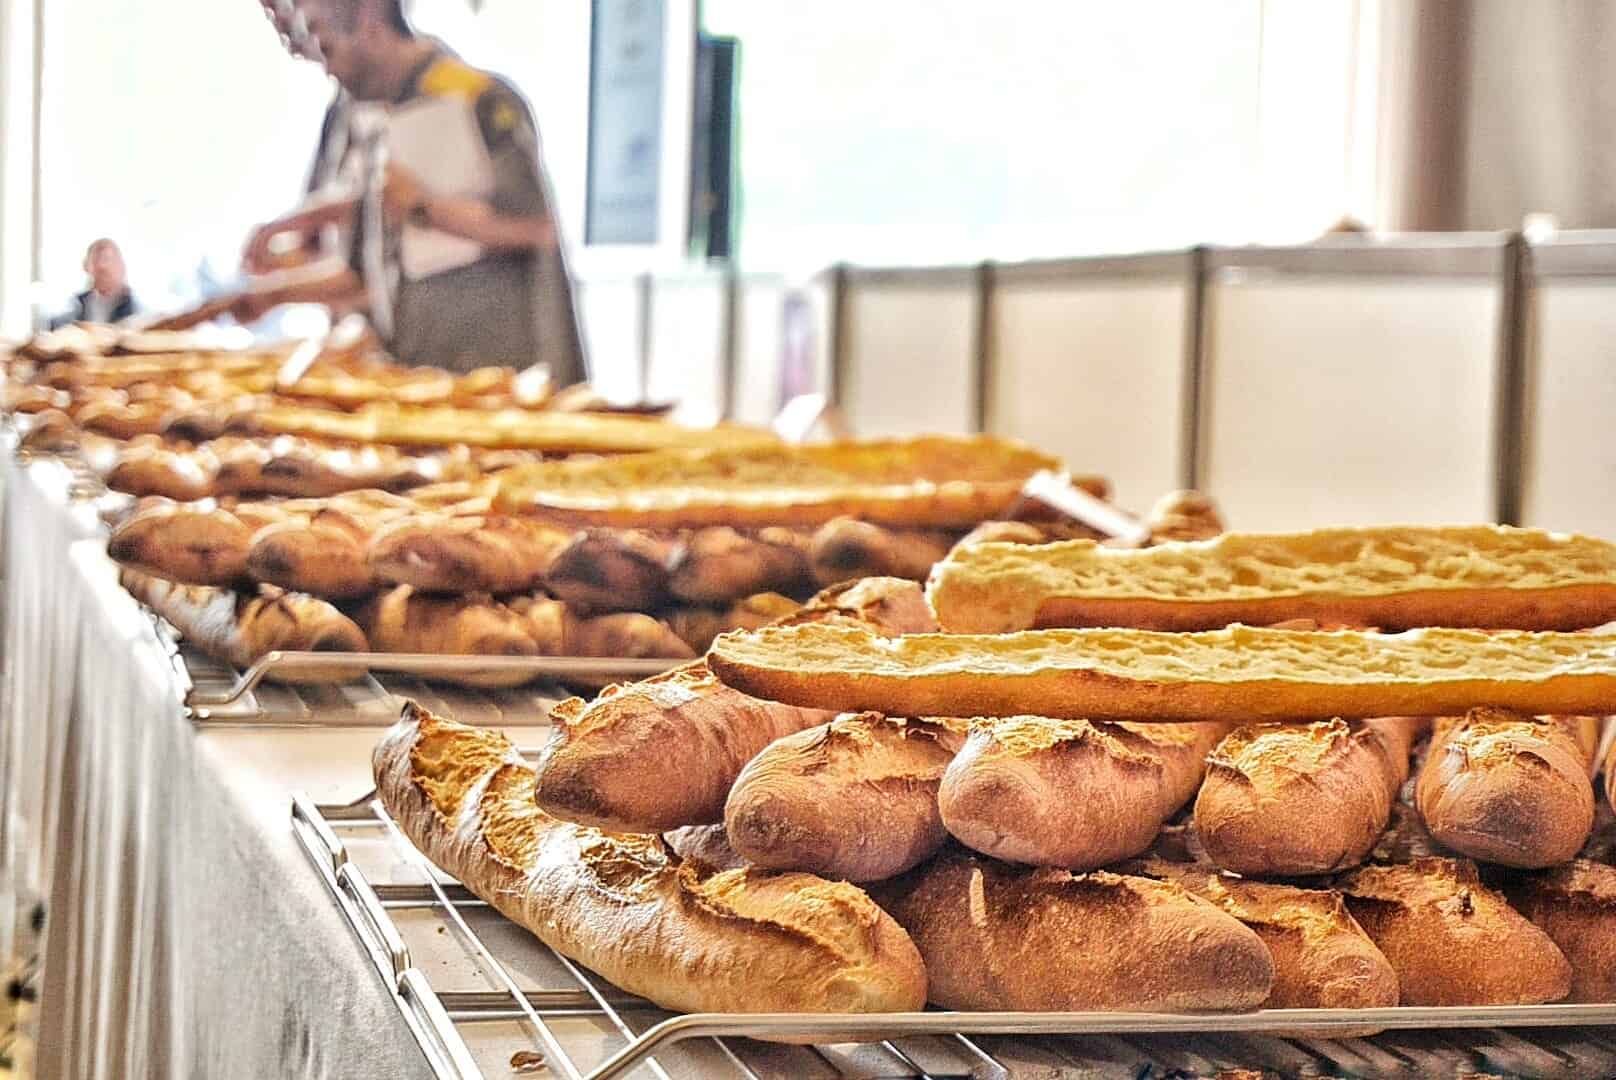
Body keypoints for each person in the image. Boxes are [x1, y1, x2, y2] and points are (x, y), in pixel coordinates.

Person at [230, 0, 587, 383]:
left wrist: (425, 207)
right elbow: (361, 271)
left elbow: (538, 228)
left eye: (323, 40)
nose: (326, 65)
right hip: (421, 371)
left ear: (369, 20)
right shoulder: (375, 121)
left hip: (502, 379)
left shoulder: (476, 97)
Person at [50, 239, 137, 327]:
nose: (103, 266)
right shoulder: (77, 308)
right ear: (87, 268)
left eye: (108, 260)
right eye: (97, 261)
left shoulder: (137, 312)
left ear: (122, 267)